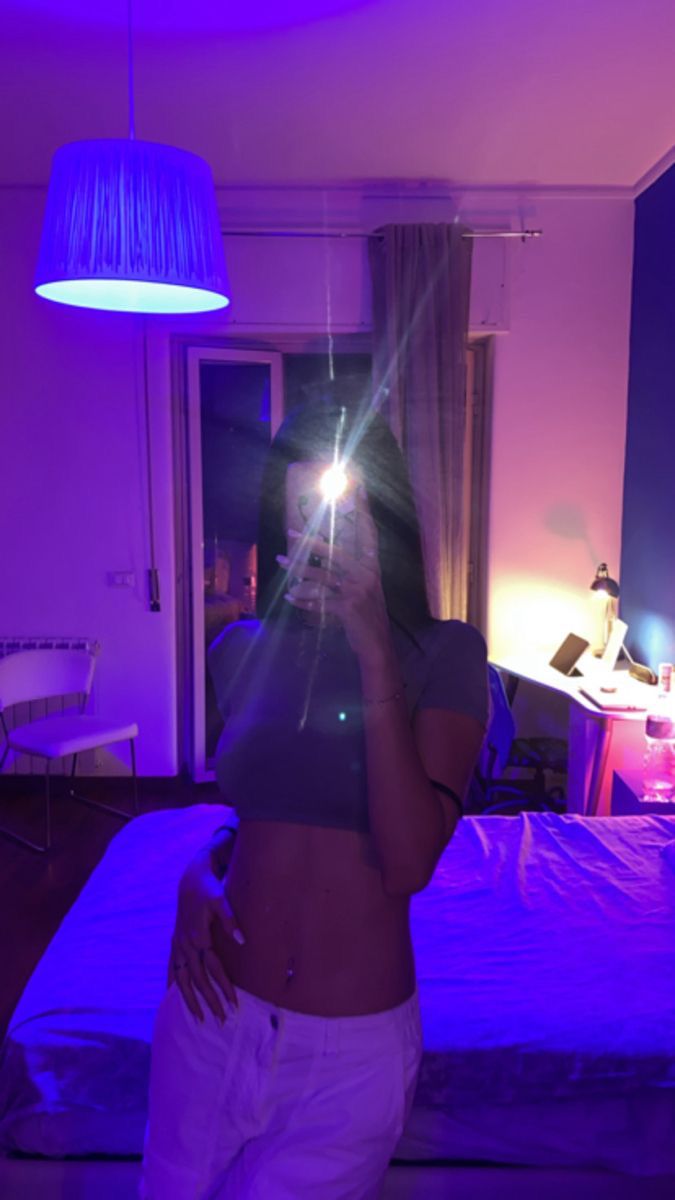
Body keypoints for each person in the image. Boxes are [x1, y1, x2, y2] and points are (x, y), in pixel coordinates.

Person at [140, 401, 489, 1200]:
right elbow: (260, 814)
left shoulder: (447, 652)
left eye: (340, 508)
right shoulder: (239, 649)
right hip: (209, 1016)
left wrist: (372, 646)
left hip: (350, 1059)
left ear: (382, 520)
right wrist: (199, 870)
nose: (317, 532)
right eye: (300, 509)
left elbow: (408, 862)